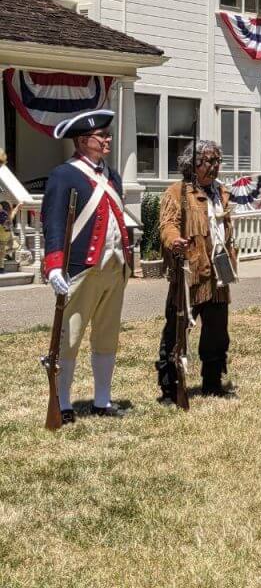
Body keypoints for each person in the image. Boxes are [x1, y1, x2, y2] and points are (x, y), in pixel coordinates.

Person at [41, 109, 132, 423]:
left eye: (107, 135)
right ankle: (63, 404)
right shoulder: (64, 175)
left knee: (106, 336)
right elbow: (52, 222)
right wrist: (54, 266)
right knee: (69, 338)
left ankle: (102, 400)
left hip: (114, 267)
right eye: (101, 136)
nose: (107, 140)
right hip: (81, 267)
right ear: (82, 141)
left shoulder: (112, 175)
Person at [157, 140, 238, 399]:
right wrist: (174, 241)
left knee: (217, 331)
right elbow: (168, 224)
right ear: (193, 165)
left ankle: (212, 382)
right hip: (190, 272)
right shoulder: (178, 192)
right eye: (208, 161)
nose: (214, 167)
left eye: (217, 161)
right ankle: (170, 385)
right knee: (177, 329)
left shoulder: (221, 192)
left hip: (218, 274)